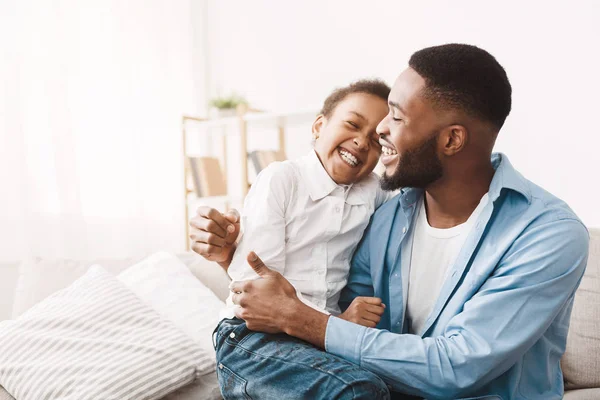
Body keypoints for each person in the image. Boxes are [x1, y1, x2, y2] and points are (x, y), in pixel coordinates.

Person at [190, 44, 589, 399]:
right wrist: (234, 258)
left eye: (395, 118)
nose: (379, 130)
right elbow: (332, 315)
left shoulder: (547, 234)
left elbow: (457, 367)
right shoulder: (387, 215)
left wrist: (299, 317)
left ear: (451, 140)